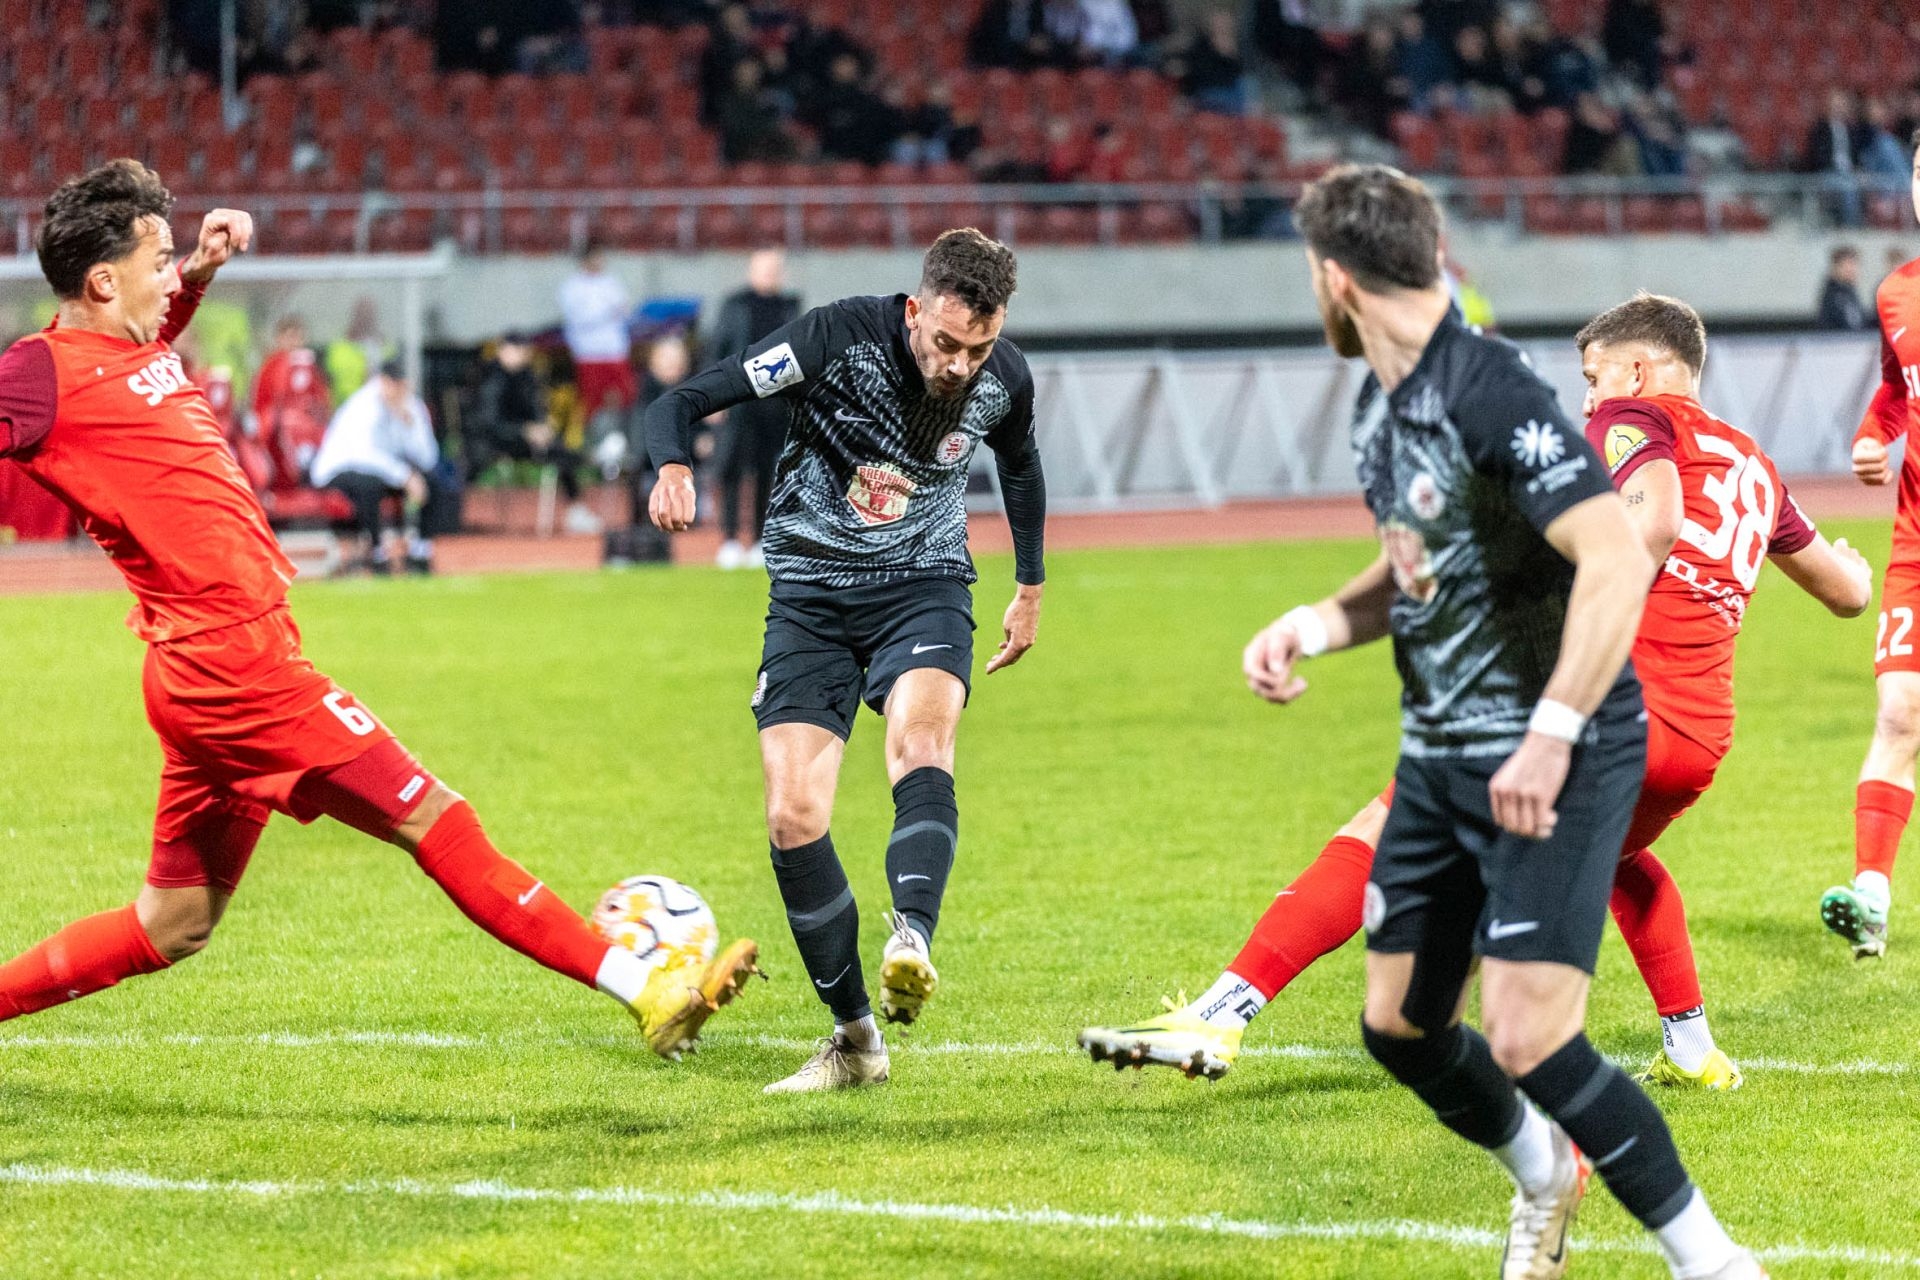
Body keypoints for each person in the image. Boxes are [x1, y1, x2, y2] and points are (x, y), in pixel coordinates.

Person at [0, 160, 758, 1060]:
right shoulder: (40, 372)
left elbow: (137, 350)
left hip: (211, 665)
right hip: (232, 669)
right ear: (102, 282)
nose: (173, 276)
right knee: (437, 819)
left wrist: (196, 274)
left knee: (174, 923)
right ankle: (647, 988)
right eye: (159, 260)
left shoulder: (129, 350)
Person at [1084, 292, 1870, 1095]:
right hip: (1695, 741)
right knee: (1620, 863)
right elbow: (1847, 594)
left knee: (1387, 826)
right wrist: (1853, 566)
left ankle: (1221, 1012)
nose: (1589, 400)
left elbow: (1656, 522)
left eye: (1594, 377)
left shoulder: (1633, 417)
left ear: (1638, 370)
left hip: (1605, 704)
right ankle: (1693, 1049)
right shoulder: (1752, 463)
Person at [1234, 165, 1762, 1279]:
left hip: (1560, 744)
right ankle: (1543, 1172)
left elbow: (1614, 553)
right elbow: (1421, 565)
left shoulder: (1489, 388)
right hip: (1443, 750)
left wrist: (1555, 728)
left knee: (1528, 1032)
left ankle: (1713, 1260)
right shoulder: (1383, 406)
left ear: (1336, 279)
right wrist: (1313, 624)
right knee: (1397, 1022)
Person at [644, 228, 1047, 1094]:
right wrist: (672, 466)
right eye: (947, 342)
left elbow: (1021, 465)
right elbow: (684, 400)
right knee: (792, 814)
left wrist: (1030, 586)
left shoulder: (1003, 377)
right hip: (810, 601)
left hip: (924, 586)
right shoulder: (832, 338)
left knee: (922, 743)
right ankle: (857, 1041)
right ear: (915, 311)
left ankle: (912, 940)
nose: (960, 366)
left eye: (979, 348)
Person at [1827, 127, 1920, 960]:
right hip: (1915, 544)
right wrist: (1870, 437)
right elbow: (1896, 390)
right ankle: (1871, 900)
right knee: (1898, 713)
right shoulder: (1897, 292)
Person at [706, 248, 803, 569]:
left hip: (775, 406)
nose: (769, 275)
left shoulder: (790, 306)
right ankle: (730, 539)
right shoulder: (734, 305)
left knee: (767, 475)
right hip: (739, 403)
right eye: (764, 269)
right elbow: (717, 350)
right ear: (751, 271)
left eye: (774, 270)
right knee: (732, 472)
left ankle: (761, 540)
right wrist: (715, 397)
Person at [312, 359, 442, 575]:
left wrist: (409, 425)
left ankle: (420, 551)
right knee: (369, 485)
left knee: (432, 480)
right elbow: (364, 455)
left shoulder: (411, 405)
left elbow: (428, 458)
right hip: (340, 468)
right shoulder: (363, 405)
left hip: (385, 471)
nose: (396, 389)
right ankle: (377, 552)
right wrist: (405, 476)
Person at [464, 332, 601, 536]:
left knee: (561, 453)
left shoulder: (528, 378)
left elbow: (537, 412)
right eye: (516, 350)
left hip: (523, 443)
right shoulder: (490, 378)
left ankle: (576, 509)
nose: (520, 355)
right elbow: (488, 424)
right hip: (491, 443)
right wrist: (523, 431)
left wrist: (541, 429)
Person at [559, 242, 637, 437]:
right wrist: (607, 313)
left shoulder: (611, 283)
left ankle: (621, 434)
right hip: (589, 352)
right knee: (593, 399)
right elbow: (579, 319)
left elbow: (625, 310)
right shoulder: (572, 287)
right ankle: (593, 438)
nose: (600, 262)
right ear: (585, 260)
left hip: (614, 350)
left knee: (625, 394)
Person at [251, 313, 333, 486]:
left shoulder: (311, 369)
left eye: (299, 336)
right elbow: (261, 405)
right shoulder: (270, 367)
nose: (295, 342)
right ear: (279, 338)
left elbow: (322, 402)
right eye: (290, 336)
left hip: (308, 434)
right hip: (279, 432)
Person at [324, 295, 386, 401]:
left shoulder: (386, 348)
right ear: (354, 317)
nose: (365, 320)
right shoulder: (338, 349)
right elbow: (330, 385)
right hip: (346, 405)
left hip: (380, 405)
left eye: (369, 315)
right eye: (362, 315)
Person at [1818, 246, 1870, 331]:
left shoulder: (1850, 292)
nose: (1853, 270)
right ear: (1836, 268)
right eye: (1848, 265)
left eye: (1854, 265)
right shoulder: (1832, 296)